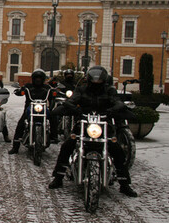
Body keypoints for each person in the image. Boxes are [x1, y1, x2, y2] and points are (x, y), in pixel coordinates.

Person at [48, 66, 138, 197]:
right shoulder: (81, 89)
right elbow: (71, 100)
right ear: (89, 80)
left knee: (116, 149)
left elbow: (118, 102)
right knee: (68, 145)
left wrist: (112, 110)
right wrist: (74, 108)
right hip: (84, 124)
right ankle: (58, 177)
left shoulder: (109, 91)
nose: (96, 84)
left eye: (99, 82)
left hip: (103, 125)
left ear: (103, 80)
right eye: (94, 81)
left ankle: (124, 184)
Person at [8, 69, 55, 154]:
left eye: (40, 78)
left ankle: (53, 137)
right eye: (36, 78)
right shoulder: (28, 86)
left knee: (53, 118)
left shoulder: (46, 88)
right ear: (33, 78)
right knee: (21, 124)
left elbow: (52, 96)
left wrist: (54, 93)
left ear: (43, 79)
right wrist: (20, 91)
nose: (38, 80)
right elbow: (22, 90)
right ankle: (15, 147)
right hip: (29, 109)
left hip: (43, 109)